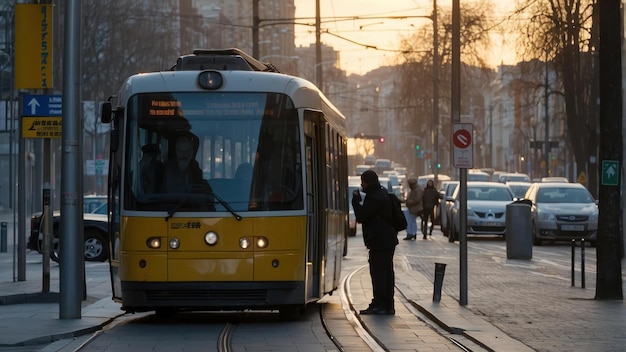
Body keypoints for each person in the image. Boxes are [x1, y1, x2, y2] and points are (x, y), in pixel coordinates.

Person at [352, 170, 399, 315]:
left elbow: (361, 216)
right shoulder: (383, 193)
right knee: (387, 272)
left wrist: (355, 201)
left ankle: (379, 303)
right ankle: (388, 304)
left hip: (380, 240)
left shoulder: (374, 197)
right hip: (388, 240)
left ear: (366, 182)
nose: (361, 185)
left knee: (379, 272)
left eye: (362, 182)